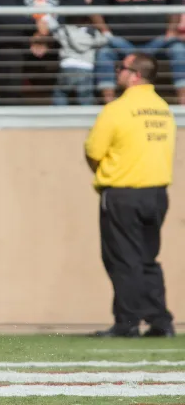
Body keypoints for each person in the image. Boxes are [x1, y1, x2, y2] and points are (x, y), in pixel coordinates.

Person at [84, 52, 176, 338]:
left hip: (123, 194)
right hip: (157, 194)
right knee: (148, 258)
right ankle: (160, 321)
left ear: (135, 75)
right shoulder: (163, 108)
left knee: (123, 259)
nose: (117, 72)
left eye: (121, 68)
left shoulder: (117, 109)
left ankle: (127, 323)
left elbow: (93, 152)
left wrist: (104, 172)